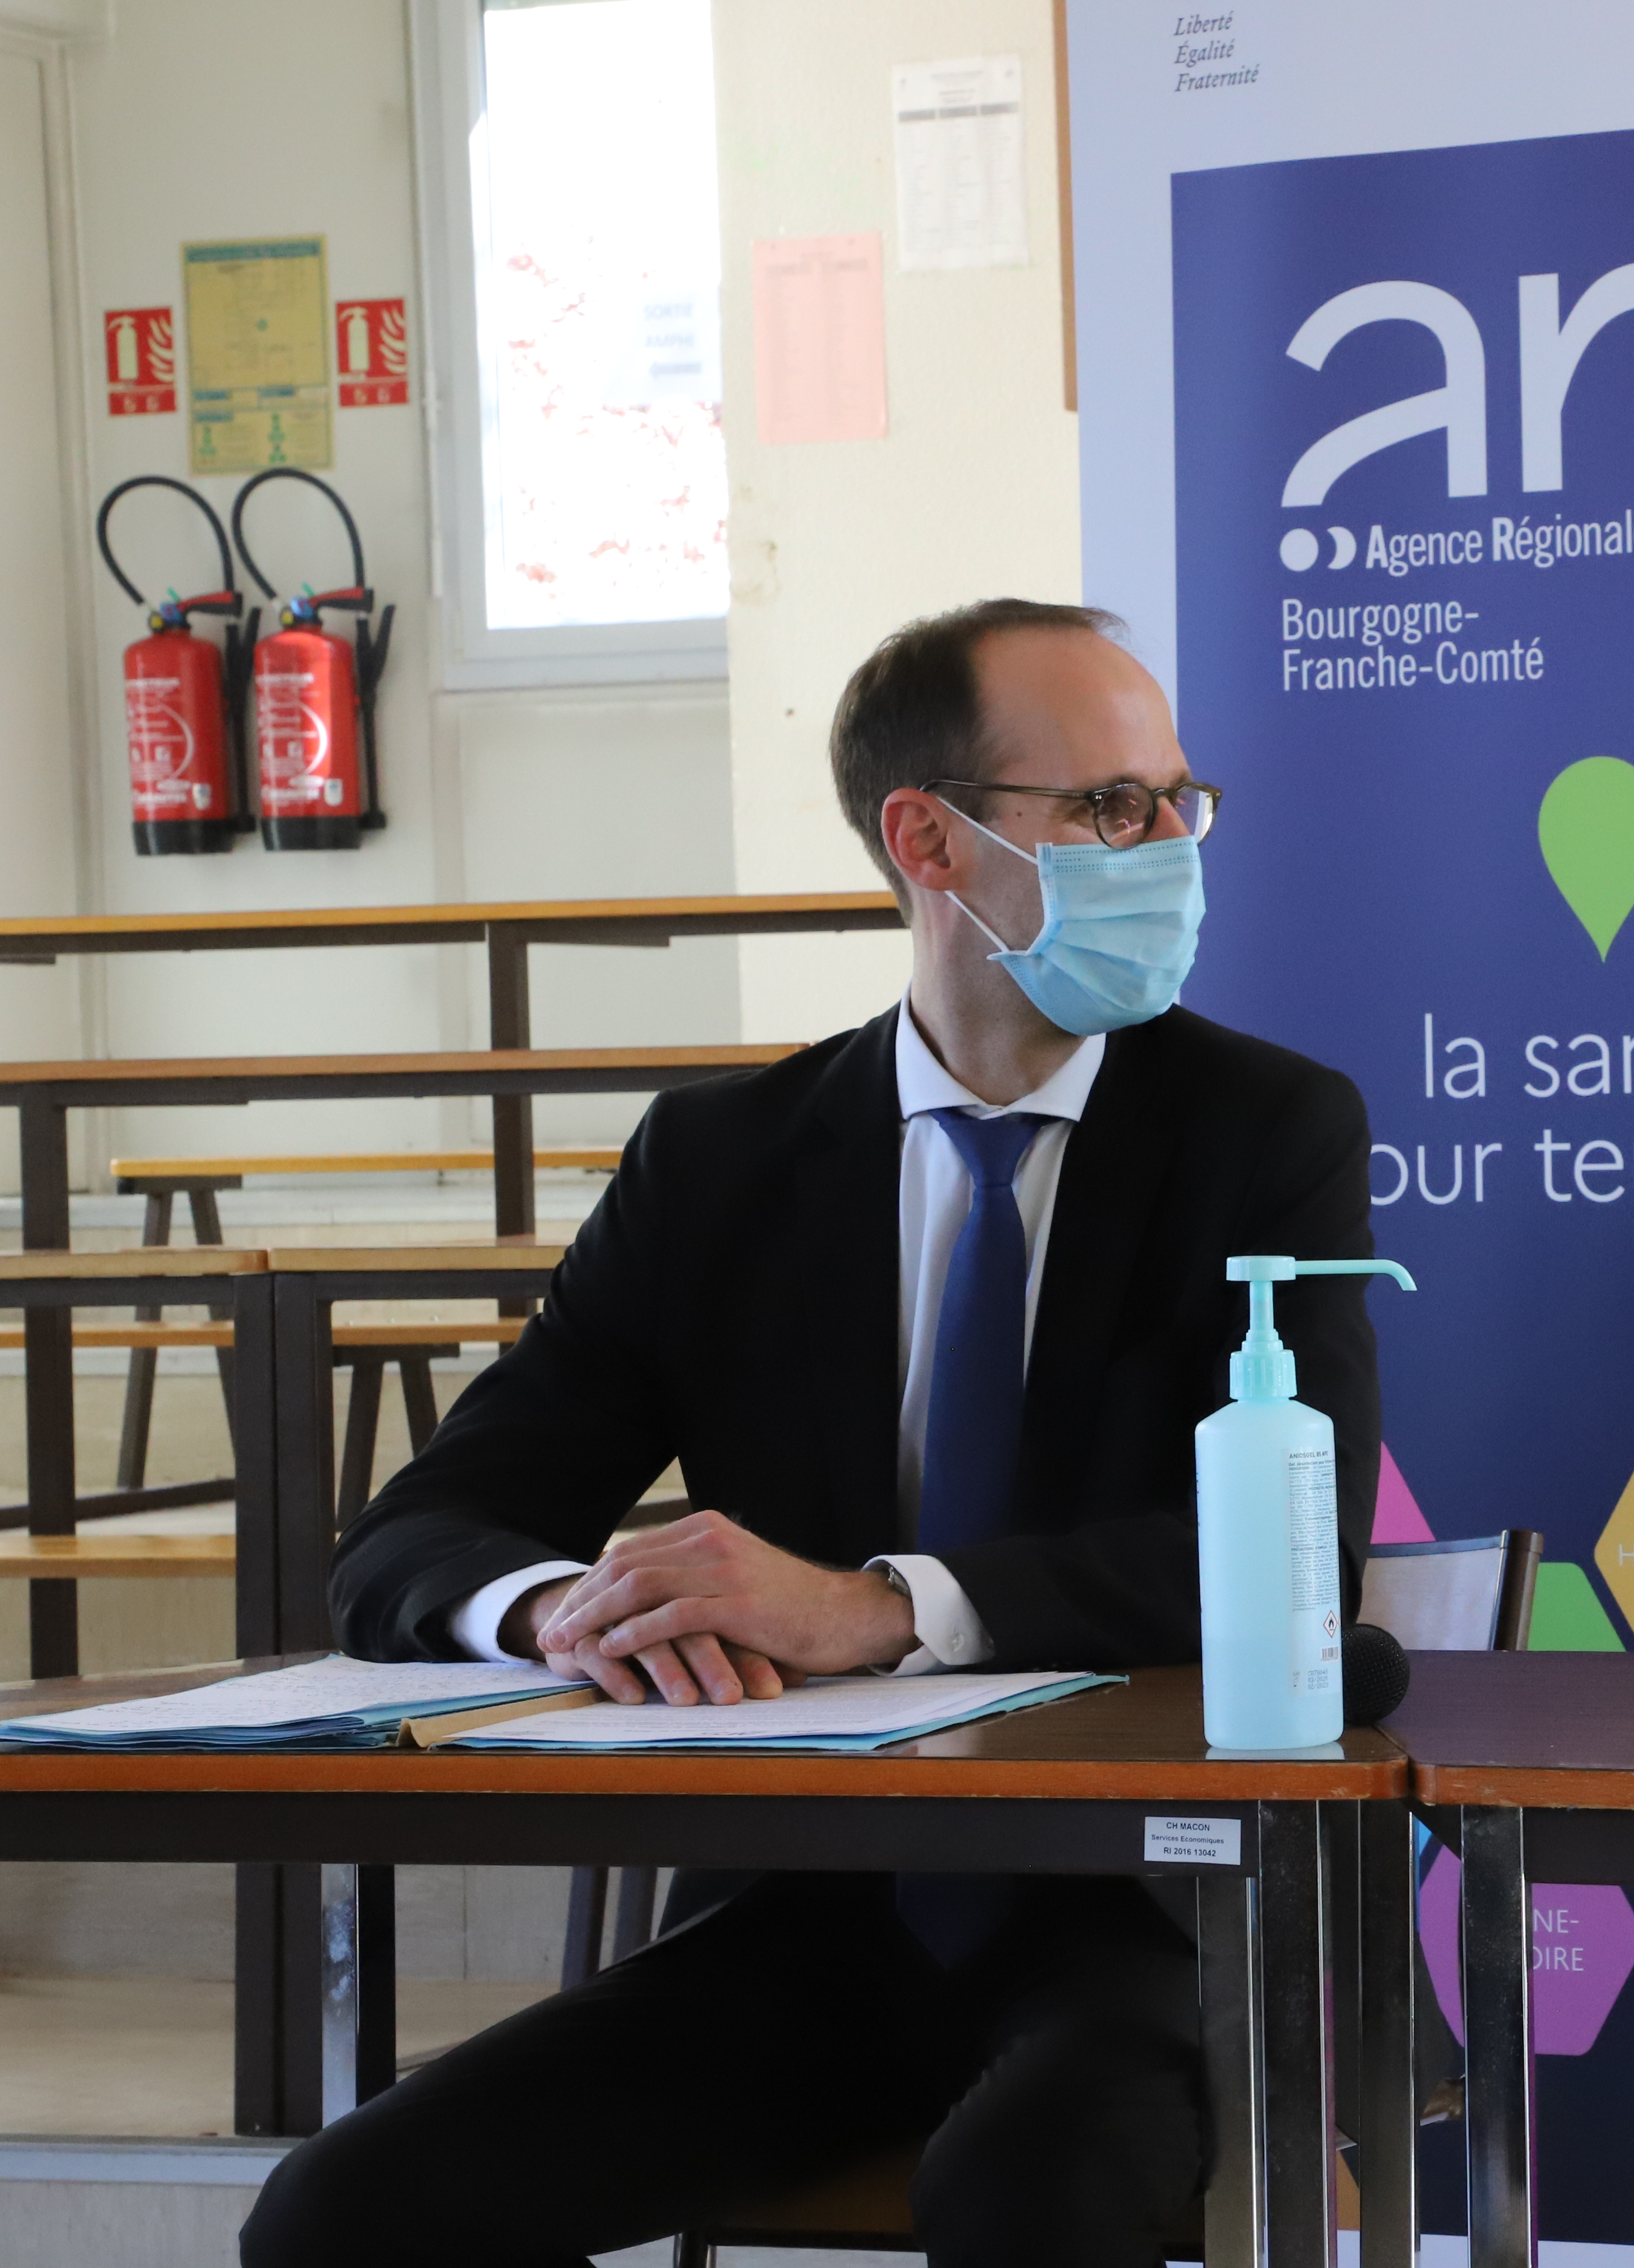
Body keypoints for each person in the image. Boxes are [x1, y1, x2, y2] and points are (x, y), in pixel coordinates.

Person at [242, 599, 1379, 2268]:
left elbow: (1290, 1563)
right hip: (811, 1910)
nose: (1169, 848)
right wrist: (561, 1608)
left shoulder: (1262, 1128)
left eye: (1179, 802)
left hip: (1146, 1909)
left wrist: (877, 1606)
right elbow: (416, 1542)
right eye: (1113, 809)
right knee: (343, 2216)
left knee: (1031, 2193)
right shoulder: (720, 1164)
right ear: (932, 839)